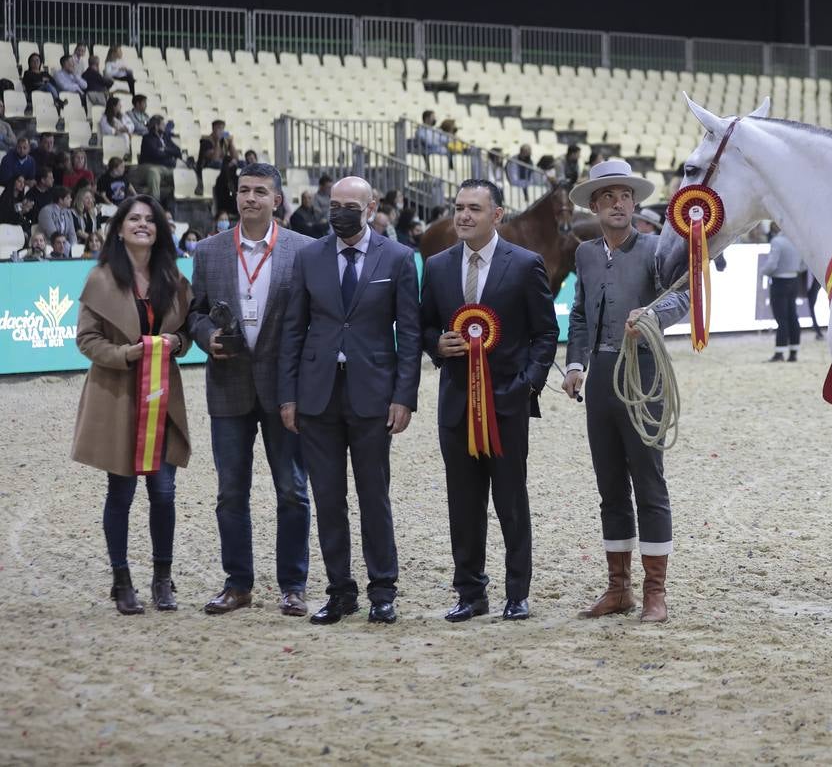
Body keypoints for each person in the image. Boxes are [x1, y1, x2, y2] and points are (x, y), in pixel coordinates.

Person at [278, 175, 420, 626]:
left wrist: (405, 396)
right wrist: (288, 395)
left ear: (371, 206)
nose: (339, 211)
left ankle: (383, 590)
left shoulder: (398, 258)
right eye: (333, 204)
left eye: (349, 205)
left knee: (373, 495)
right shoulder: (308, 258)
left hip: (374, 396)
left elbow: (410, 335)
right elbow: (293, 331)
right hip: (317, 395)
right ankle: (340, 590)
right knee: (327, 498)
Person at [420, 179, 558, 623]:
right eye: (459, 207)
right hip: (456, 403)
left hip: (507, 404)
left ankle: (517, 592)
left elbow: (545, 334)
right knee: (462, 504)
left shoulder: (525, 264)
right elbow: (423, 327)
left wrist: (526, 384)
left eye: (474, 209)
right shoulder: (438, 266)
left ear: (496, 215)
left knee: (511, 502)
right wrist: (436, 346)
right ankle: (470, 592)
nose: (463, 216)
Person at [562, 159, 689, 623]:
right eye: (608, 197)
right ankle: (619, 588)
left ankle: (656, 591)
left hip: (645, 376)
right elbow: (579, 313)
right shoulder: (586, 254)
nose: (618, 204)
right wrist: (576, 362)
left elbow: (683, 295)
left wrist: (653, 317)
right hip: (600, 380)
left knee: (649, 483)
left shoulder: (657, 248)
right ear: (594, 206)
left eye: (625, 197)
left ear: (635, 203)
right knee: (609, 485)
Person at [188, 162, 313, 617]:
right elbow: (195, 313)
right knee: (229, 493)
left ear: (277, 200)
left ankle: (293, 585)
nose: (251, 198)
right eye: (244, 190)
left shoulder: (305, 250)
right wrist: (207, 337)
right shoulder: (208, 251)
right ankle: (238, 583)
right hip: (228, 386)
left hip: (285, 391)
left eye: (261, 191)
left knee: (293, 491)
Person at [72, 194, 192, 615]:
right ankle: (121, 580)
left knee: (164, 491)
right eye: (134, 219)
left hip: (163, 398)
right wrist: (127, 355)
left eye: (150, 220)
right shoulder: (101, 278)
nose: (142, 225)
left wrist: (178, 343)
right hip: (118, 398)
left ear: (159, 230)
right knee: (120, 491)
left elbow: (186, 332)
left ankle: (163, 578)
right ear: (119, 228)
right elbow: (86, 340)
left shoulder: (173, 279)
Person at [761, 225, 806, 362]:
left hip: (779, 281)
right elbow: (803, 265)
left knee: (782, 319)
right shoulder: (797, 241)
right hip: (794, 280)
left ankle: (779, 352)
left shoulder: (777, 241)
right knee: (793, 316)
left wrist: (763, 272)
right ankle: (793, 352)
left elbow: (772, 264)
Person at [136, 116, 182, 212]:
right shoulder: (147, 138)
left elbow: (178, 151)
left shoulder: (166, 137)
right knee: (154, 172)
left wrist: (165, 149)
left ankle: (172, 205)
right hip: (148, 167)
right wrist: (168, 154)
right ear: (156, 126)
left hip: (166, 168)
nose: (165, 126)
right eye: (162, 124)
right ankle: (155, 205)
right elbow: (156, 154)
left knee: (180, 174)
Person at [197, 120, 239, 197]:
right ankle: (230, 186)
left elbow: (236, 157)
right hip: (206, 166)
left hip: (221, 166)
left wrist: (231, 143)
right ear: (213, 129)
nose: (221, 131)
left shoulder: (225, 140)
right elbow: (214, 159)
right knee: (220, 163)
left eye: (222, 128)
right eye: (218, 128)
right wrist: (217, 141)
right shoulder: (205, 140)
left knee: (240, 163)